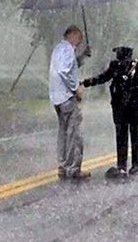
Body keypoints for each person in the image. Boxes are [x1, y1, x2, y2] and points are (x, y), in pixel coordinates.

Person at [82, 46, 138, 176]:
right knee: (121, 137)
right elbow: (104, 77)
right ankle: (121, 165)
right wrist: (87, 82)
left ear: (127, 55)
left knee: (136, 137)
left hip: (134, 108)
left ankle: (136, 165)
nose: (118, 57)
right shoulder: (114, 66)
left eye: (120, 54)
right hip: (119, 108)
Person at [49, 25, 90, 179]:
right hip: (67, 97)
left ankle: (62, 166)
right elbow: (64, 71)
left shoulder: (58, 49)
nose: (79, 43)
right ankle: (73, 169)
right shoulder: (67, 49)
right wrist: (75, 88)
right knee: (74, 134)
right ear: (72, 35)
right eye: (79, 38)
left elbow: (68, 66)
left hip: (57, 98)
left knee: (64, 133)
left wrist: (82, 57)